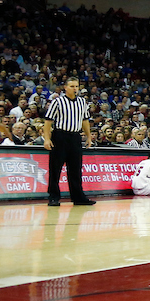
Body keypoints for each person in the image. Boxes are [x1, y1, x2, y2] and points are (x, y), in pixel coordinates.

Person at [42, 76, 95, 207]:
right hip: (60, 135)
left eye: (76, 86)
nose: (75, 89)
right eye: (72, 86)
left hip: (75, 137)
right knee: (55, 169)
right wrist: (47, 139)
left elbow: (85, 121)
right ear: (65, 87)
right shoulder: (57, 102)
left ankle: (78, 197)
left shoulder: (83, 102)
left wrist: (88, 137)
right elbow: (48, 121)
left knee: (76, 169)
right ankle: (53, 197)